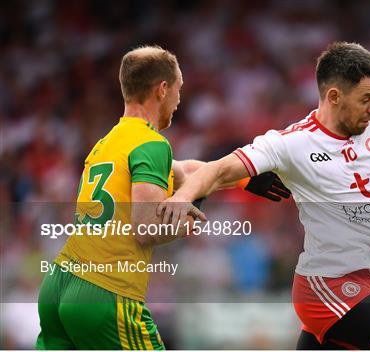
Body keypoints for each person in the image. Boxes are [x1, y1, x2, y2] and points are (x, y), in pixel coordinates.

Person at [158, 42, 370, 350]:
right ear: (334, 96)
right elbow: (217, 170)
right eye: (366, 99)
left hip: (367, 281)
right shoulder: (291, 143)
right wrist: (181, 198)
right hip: (329, 286)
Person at [35, 45, 289, 350]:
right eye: (179, 90)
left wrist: (245, 177)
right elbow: (145, 228)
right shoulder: (152, 143)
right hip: (105, 291)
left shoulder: (109, 141)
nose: (180, 100)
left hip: (59, 285)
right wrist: (186, 214)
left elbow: (183, 171)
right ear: (163, 89)